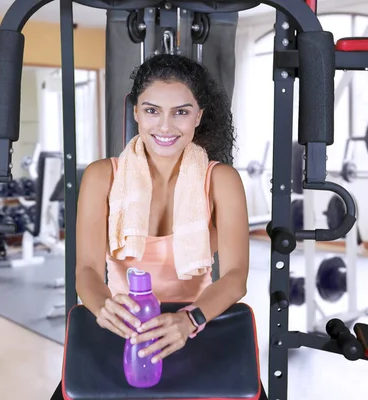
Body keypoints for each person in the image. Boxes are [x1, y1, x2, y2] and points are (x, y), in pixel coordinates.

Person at [75, 53, 249, 364]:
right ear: (136, 114)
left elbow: (235, 277)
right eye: (152, 110)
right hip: (125, 325)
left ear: (198, 116)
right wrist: (103, 307)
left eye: (180, 112)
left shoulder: (222, 180)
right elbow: (86, 270)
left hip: (194, 322)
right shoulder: (101, 176)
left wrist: (190, 319)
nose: (165, 127)